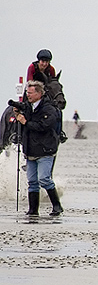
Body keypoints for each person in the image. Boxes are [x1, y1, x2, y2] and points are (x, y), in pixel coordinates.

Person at [10, 80, 63, 216]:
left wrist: (26, 122)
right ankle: (33, 210)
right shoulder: (28, 106)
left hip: (45, 149)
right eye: (27, 92)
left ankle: (57, 206)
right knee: (32, 181)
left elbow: (43, 126)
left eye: (30, 93)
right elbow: (24, 121)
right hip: (31, 149)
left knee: (44, 179)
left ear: (39, 93)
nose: (28, 95)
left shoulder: (48, 108)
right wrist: (17, 112)